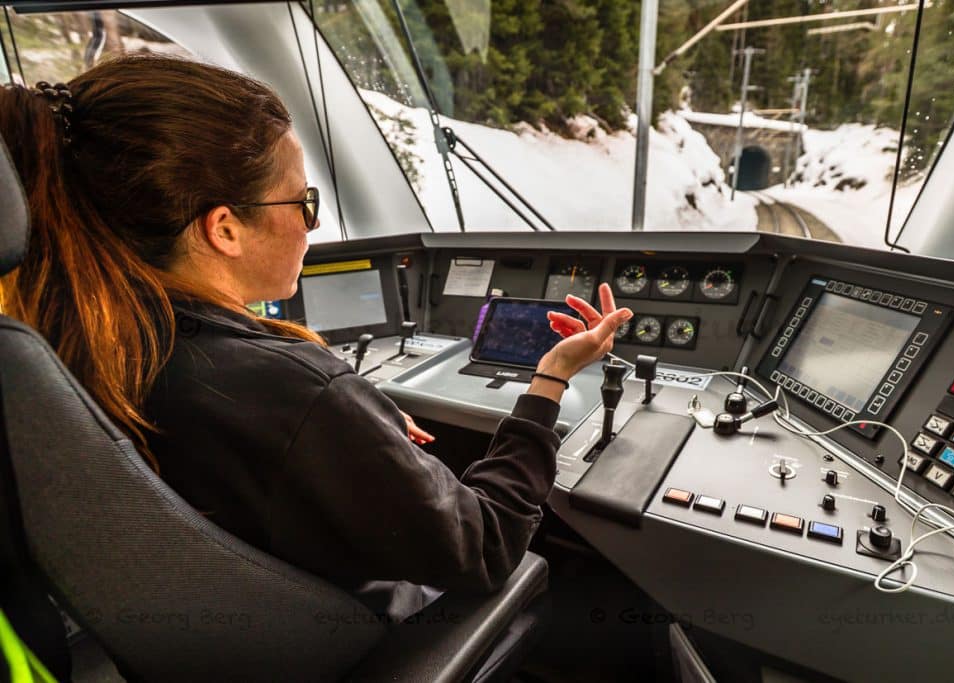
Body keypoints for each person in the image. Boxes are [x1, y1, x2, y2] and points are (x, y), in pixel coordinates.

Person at [0, 55, 632, 619]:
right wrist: (549, 381)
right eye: (302, 202)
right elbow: (488, 546)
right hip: (357, 638)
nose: (314, 221)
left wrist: (354, 434)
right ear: (225, 228)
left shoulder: (60, 342)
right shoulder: (290, 390)